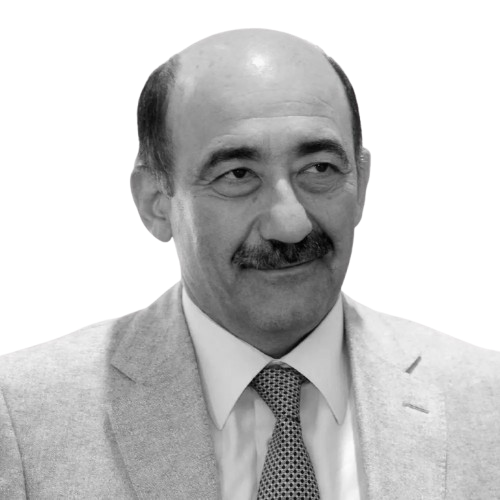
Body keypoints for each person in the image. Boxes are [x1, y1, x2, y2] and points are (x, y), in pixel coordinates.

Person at [1, 28, 498, 500]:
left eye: (319, 169)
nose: (290, 224)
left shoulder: (487, 398)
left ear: (363, 183)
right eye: (237, 174)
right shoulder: (20, 414)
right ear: (155, 202)